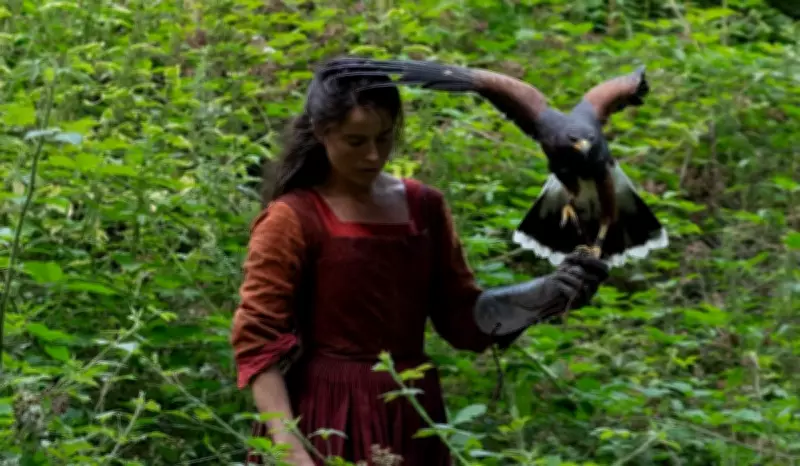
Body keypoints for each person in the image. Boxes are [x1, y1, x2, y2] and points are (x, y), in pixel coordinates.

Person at [230, 56, 609, 466]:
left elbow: (462, 319)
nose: (373, 155)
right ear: (323, 133)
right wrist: (290, 451)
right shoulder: (292, 217)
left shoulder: (423, 206)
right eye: (356, 141)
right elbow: (257, 341)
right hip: (326, 413)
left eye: (384, 138)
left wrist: (543, 296)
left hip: (411, 407)